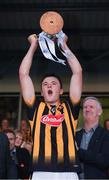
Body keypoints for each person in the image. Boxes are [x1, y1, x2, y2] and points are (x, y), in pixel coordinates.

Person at [19, 33, 82, 180]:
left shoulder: (70, 107)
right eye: (45, 84)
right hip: (41, 172)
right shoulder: (35, 108)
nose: (49, 86)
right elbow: (23, 74)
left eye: (53, 84)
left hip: (69, 172)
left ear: (60, 91)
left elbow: (77, 73)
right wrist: (33, 46)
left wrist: (64, 46)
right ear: (41, 92)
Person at [76, 96, 109, 179]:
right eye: (85, 107)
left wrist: (79, 151)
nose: (87, 109)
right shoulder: (75, 135)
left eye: (91, 107)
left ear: (99, 112)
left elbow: (104, 161)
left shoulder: (106, 135)